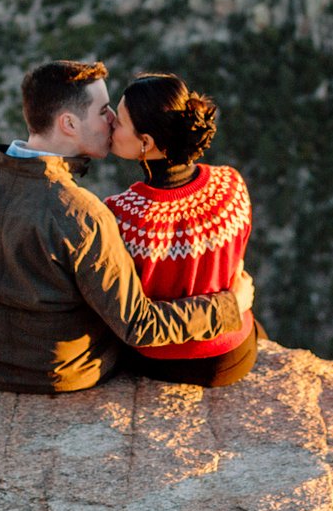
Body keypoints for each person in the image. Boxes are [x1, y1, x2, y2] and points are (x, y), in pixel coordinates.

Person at [0, 59, 252, 394]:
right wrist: (231, 304)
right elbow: (138, 324)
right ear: (69, 123)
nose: (113, 120)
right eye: (103, 111)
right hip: (61, 371)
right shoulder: (83, 215)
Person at [104, 73, 259, 388]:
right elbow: (235, 267)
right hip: (234, 355)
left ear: (145, 142)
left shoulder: (119, 215)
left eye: (119, 121)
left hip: (164, 363)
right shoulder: (231, 185)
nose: (110, 126)